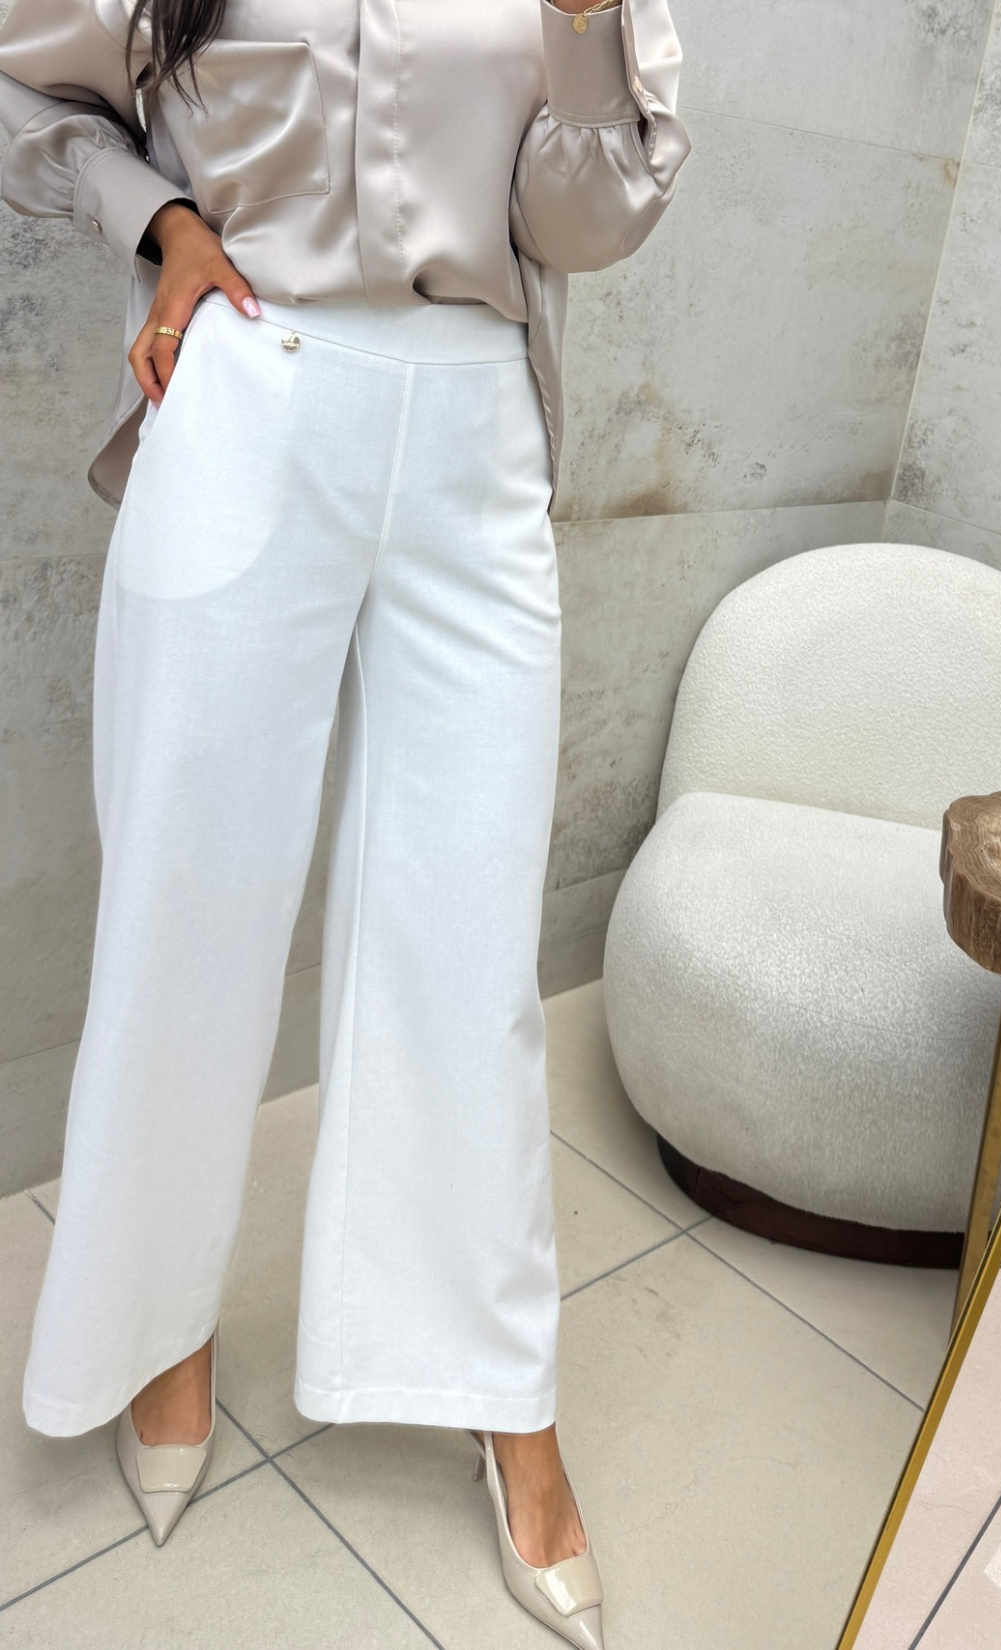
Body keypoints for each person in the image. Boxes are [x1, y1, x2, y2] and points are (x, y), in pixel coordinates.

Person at [0, 0, 689, 1640]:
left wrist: (581, 27)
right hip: (249, 386)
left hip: (475, 434)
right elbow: (34, 93)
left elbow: (587, 218)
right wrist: (164, 225)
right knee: (184, 908)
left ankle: (499, 1390)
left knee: (468, 943)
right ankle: (159, 1330)